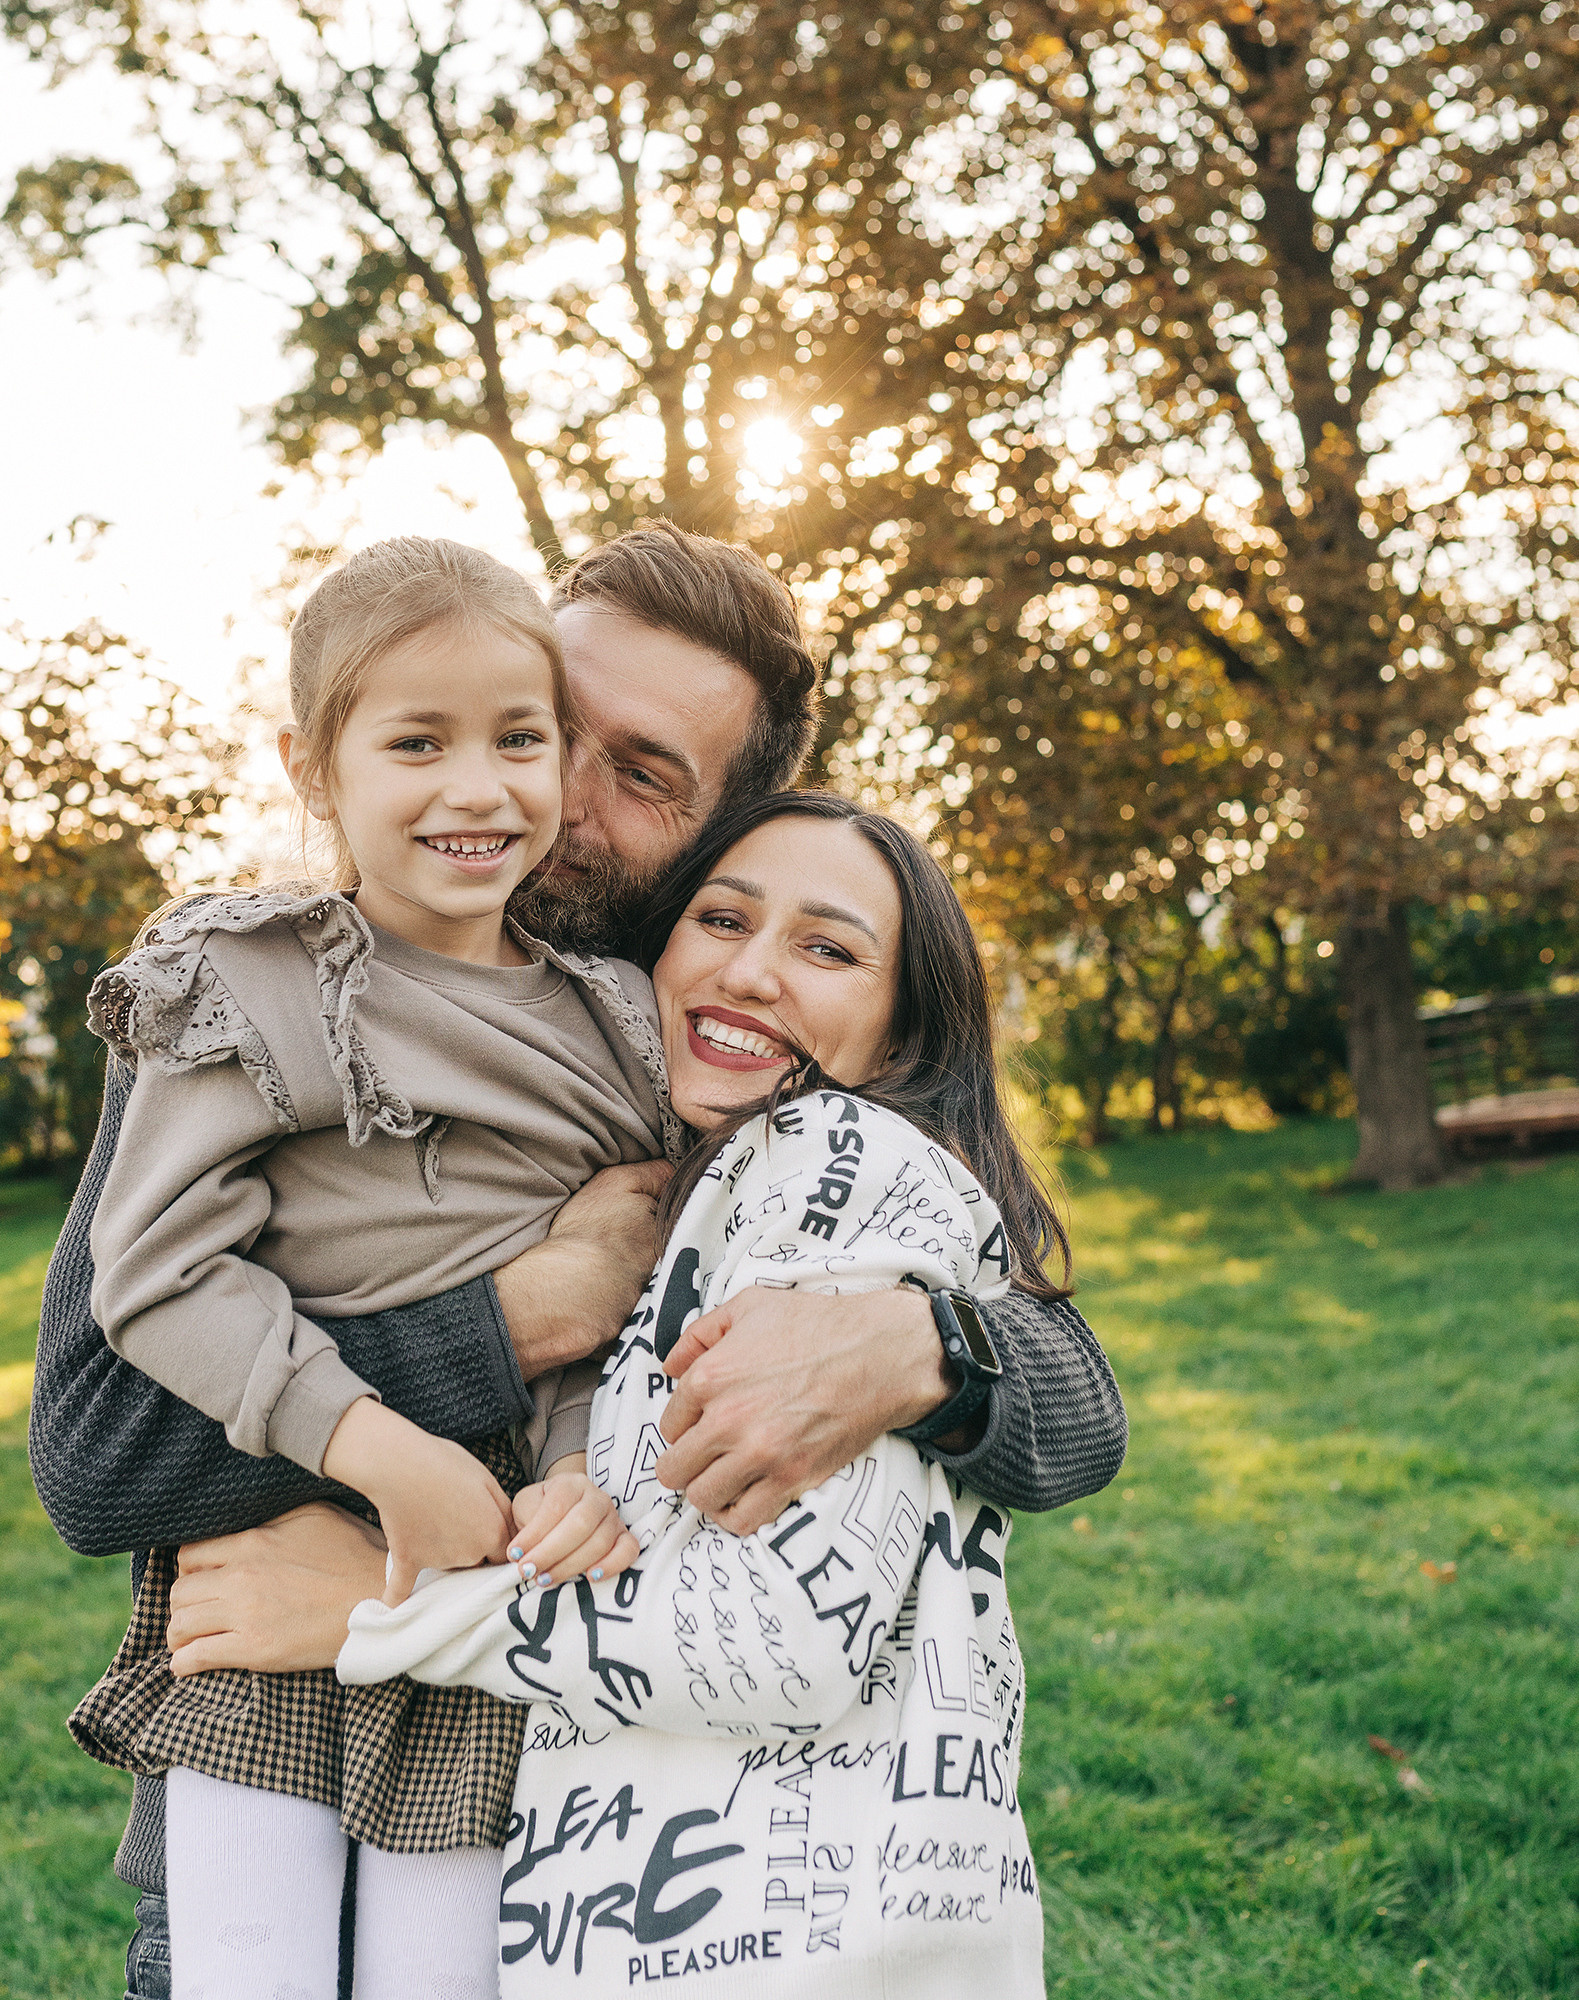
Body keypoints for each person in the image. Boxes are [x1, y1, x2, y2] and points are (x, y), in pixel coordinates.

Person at [30, 522, 1127, 1999]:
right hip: (269, 1745)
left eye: (644, 774)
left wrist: (919, 1345)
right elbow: (96, 1454)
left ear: (722, 831)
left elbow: (1075, 1405)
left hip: (571, 1843)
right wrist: (521, 1316)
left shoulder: (694, 1051)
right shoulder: (256, 993)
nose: (542, 799)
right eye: (554, 721)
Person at [72, 535, 670, 1998]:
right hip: (283, 1529)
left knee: (444, 1972)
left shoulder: (612, 1018)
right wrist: (380, 1450)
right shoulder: (251, 974)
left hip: (496, 1573)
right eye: (417, 742)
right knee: (252, 1968)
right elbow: (153, 1272)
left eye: (518, 738)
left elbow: (618, 1295)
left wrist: (578, 1469)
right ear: (312, 767)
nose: (478, 787)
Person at [339, 789, 1058, 1994]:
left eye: (827, 949)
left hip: (807, 1953)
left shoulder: (835, 1161)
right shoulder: (706, 1182)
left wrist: (369, 1616)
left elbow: (783, 1641)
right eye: (722, 919)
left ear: (900, 1034)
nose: (752, 971)